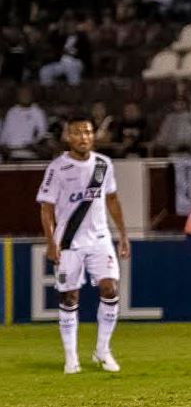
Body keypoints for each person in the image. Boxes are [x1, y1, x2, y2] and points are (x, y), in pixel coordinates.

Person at [36, 116, 130, 374]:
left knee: (110, 289)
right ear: (68, 136)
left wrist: (122, 235)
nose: (83, 137)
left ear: (93, 135)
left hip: (100, 239)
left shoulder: (103, 165)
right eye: (77, 132)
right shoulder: (58, 167)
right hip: (69, 242)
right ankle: (71, 357)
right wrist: (51, 242)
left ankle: (102, 350)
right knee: (69, 297)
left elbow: (112, 200)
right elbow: (46, 209)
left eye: (87, 132)